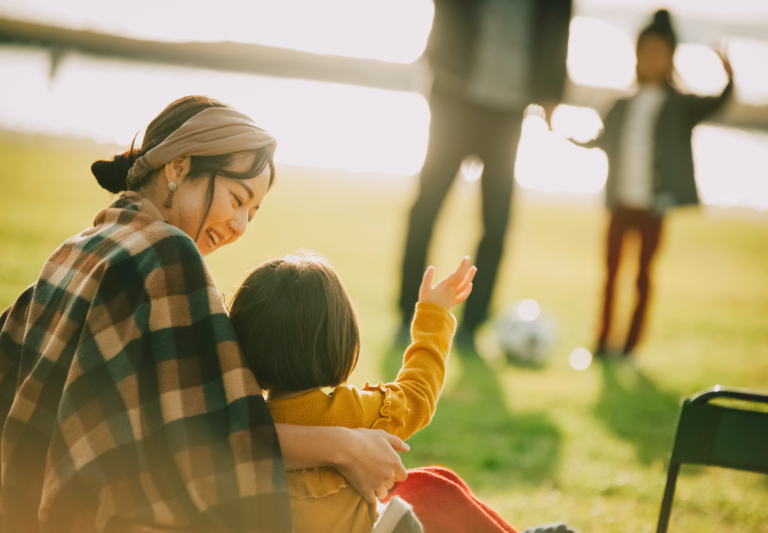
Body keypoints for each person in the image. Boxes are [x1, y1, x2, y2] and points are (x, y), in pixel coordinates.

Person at [0, 96, 408, 532]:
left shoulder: (80, 248)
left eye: (252, 213)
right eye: (236, 198)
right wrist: (344, 446)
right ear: (178, 168)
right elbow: (213, 438)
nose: (241, 226)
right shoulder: (166, 254)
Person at [228, 252, 475, 533]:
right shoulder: (355, 413)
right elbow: (418, 393)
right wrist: (434, 313)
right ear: (340, 339)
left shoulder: (237, 424)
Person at [397, 0, 572, 352]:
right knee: (425, 209)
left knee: (496, 223)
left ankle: (472, 328)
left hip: (510, 109)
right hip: (453, 93)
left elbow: (557, 22)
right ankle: (408, 315)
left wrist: (552, 94)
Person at [584, 10, 734, 357]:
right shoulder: (622, 104)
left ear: (670, 58)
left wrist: (729, 77)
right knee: (610, 277)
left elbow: (718, 104)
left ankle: (630, 347)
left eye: (659, 52)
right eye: (645, 51)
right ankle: (603, 342)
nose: (651, 58)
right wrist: (555, 127)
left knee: (642, 277)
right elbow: (598, 140)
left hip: (654, 207)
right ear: (636, 55)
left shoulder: (680, 105)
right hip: (620, 203)